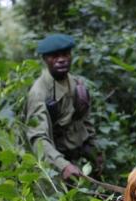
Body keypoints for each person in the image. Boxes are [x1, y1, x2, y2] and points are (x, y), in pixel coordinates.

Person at [25, 33, 100, 180]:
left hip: (79, 154)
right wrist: (63, 165)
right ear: (45, 59)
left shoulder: (77, 85)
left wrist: (95, 153)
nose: (61, 60)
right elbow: (38, 138)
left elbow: (86, 122)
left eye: (65, 54)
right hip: (54, 161)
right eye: (54, 56)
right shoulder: (39, 93)